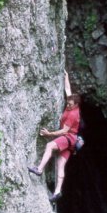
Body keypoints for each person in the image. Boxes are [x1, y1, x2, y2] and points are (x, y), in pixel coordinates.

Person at [28, 71, 81, 202]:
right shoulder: (71, 102)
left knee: (49, 146)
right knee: (60, 164)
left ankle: (39, 169)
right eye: (68, 103)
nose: (67, 105)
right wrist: (66, 76)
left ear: (76, 105)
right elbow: (68, 90)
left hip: (69, 138)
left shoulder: (73, 114)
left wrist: (49, 134)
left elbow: (64, 131)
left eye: (70, 104)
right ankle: (57, 192)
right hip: (71, 143)